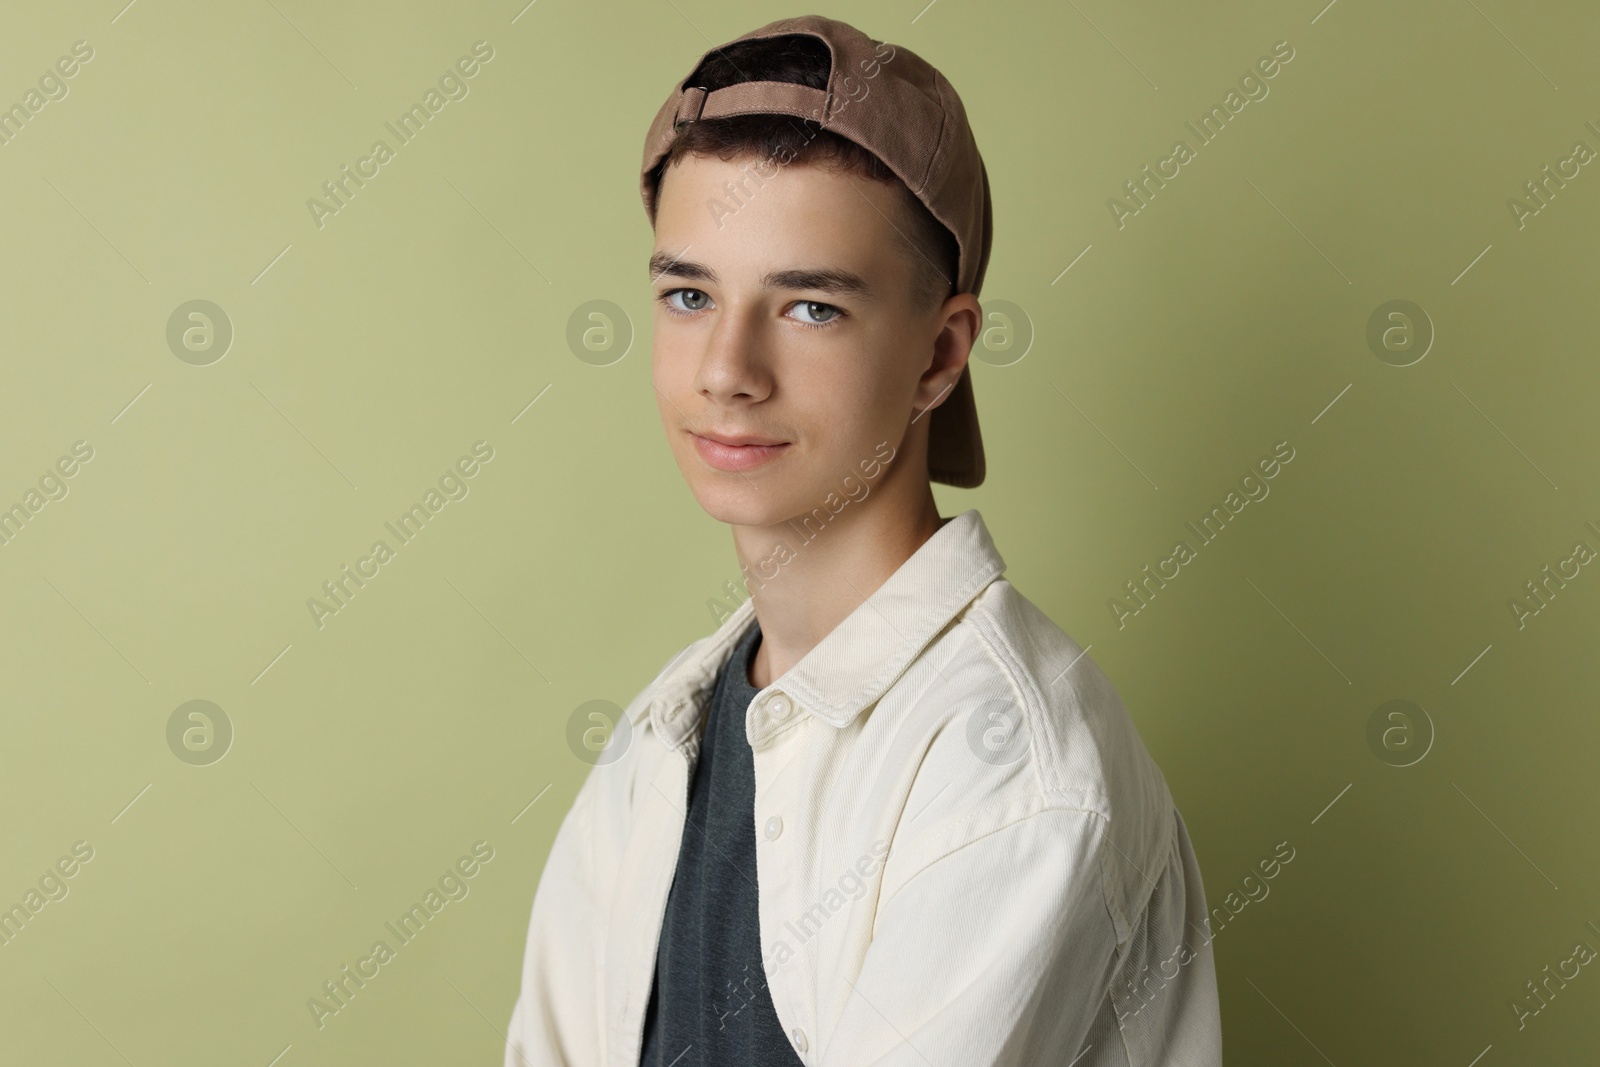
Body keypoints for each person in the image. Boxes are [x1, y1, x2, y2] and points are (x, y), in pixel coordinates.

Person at [505, 14, 1222, 1066]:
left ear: (940, 354)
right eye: (689, 294)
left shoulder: (1008, 765)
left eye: (809, 308)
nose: (726, 369)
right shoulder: (662, 738)